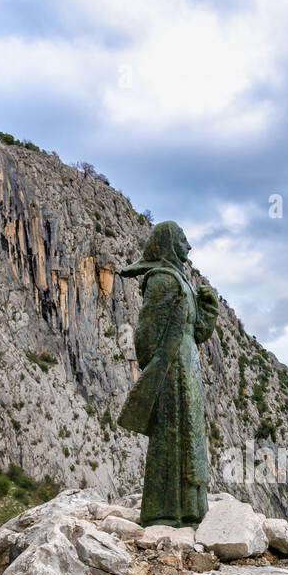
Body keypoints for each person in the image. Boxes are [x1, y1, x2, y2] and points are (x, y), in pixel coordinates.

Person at [118, 221, 218, 526]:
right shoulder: (162, 280)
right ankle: (164, 511)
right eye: (184, 241)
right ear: (171, 243)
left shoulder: (182, 281)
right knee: (172, 434)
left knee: (190, 435)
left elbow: (197, 331)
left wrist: (209, 308)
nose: (189, 247)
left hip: (188, 365)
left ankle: (190, 509)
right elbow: (146, 333)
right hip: (173, 368)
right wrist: (158, 366)